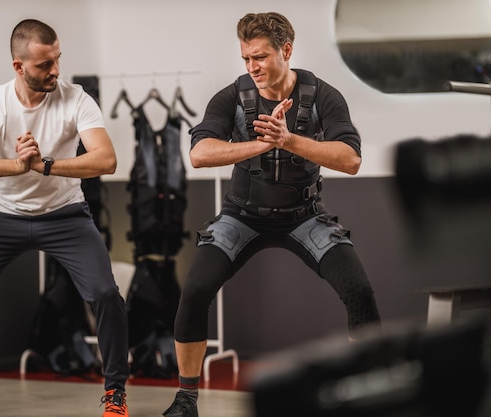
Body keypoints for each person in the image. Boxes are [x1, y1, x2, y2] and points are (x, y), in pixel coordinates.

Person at [162, 12, 381, 417]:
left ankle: (365, 392)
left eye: (260, 57)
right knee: (193, 292)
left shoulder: (323, 95)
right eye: (246, 58)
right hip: (242, 216)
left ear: (287, 50)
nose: (252, 67)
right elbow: (199, 153)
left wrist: (288, 139)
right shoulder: (233, 95)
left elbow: (350, 159)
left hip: (305, 215)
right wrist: (260, 146)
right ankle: (186, 399)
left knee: (360, 293)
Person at [0, 19, 130, 417]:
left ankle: (116, 392)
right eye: (43, 65)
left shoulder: (76, 99)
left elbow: (105, 159)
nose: (55, 70)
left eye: (57, 60)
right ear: (18, 66)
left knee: (106, 295)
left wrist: (46, 165)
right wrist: (17, 167)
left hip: (67, 216)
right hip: (5, 217)